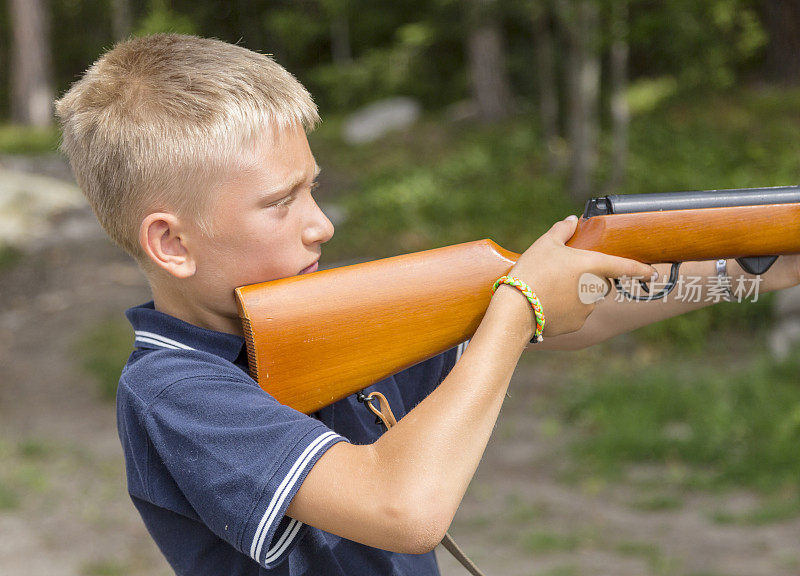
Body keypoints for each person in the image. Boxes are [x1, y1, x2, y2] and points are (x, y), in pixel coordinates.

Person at [54, 34, 800, 576]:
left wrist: (750, 272)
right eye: (282, 203)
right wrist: (517, 306)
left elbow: (582, 312)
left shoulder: (324, 317)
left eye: (312, 186)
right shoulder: (173, 392)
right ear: (172, 245)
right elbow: (405, 510)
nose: (322, 222)